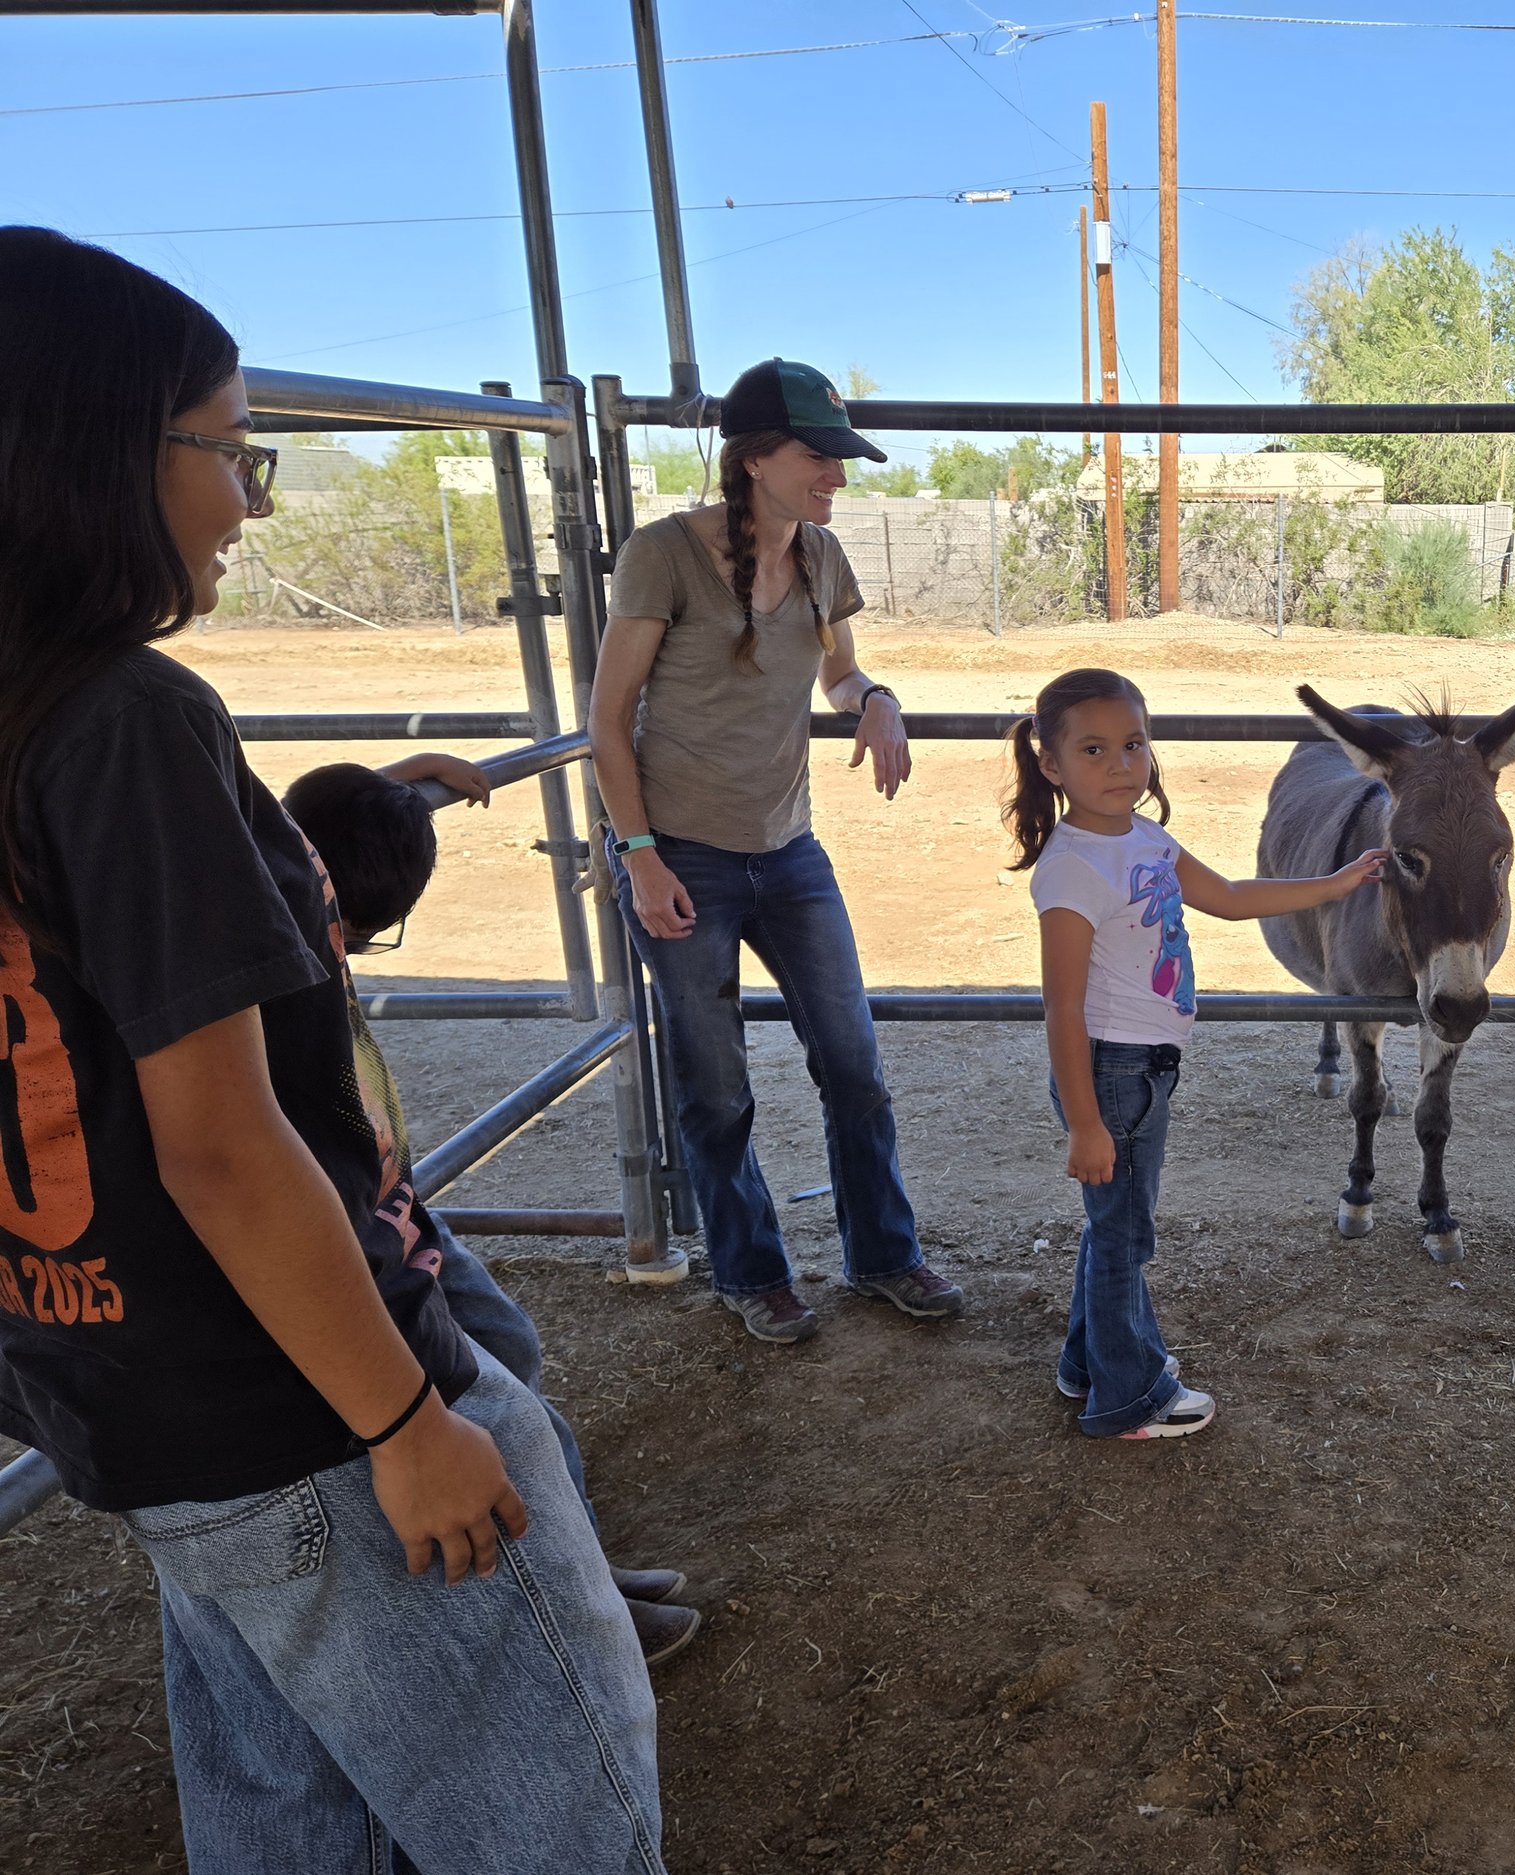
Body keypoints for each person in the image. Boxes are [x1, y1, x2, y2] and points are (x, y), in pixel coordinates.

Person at [0, 226, 664, 1869]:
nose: (246, 497)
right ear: (95, 451)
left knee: (289, 1818)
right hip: (303, 1408)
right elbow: (220, 1145)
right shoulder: (129, 721)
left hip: (125, 1398)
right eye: (229, 451)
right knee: (560, 1821)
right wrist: (403, 1426)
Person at [281, 754, 699, 1667]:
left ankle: (577, 1561)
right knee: (481, 1400)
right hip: (353, 1231)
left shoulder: (279, 879)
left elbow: (297, 826)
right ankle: (574, 1614)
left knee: (505, 1348)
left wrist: (405, 779)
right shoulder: (273, 977)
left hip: (393, 1207)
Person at [589, 357, 960, 1344]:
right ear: (754, 459)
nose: (836, 474)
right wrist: (641, 855)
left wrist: (874, 700)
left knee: (853, 1064)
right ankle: (752, 1273)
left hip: (790, 852)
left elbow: (839, 677)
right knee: (715, 1088)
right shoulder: (662, 554)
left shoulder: (823, 559)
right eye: (818, 456)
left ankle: (882, 1254)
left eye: (839, 457)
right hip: (684, 860)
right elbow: (608, 718)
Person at [1006, 669, 1386, 1438]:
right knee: (1124, 1236)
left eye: (1134, 744)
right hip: (1111, 1073)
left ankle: (1086, 1362)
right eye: (1094, 749)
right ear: (1051, 765)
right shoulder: (1073, 868)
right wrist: (1084, 1120)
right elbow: (1063, 1005)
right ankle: (1128, 1396)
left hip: (1146, 1071)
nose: (1121, 765)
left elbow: (1236, 897)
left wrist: (1336, 884)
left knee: (1114, 1226)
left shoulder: (1147, 839)